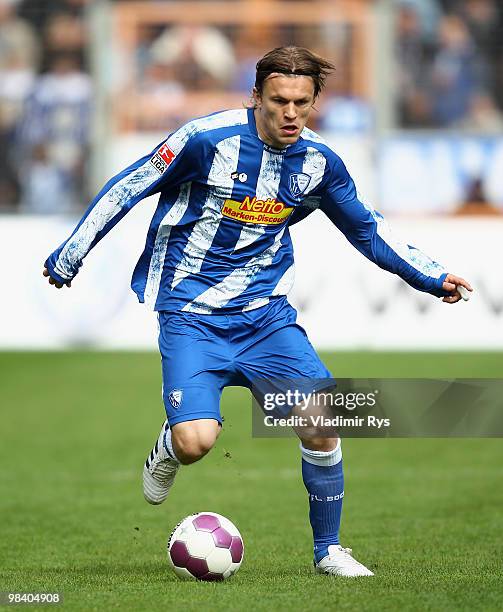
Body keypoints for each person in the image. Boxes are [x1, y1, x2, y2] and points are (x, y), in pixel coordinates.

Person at [43, 46, 472, 577]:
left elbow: (367, 229)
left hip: (265, 318)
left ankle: (329, 551)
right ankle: (170, 448)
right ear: (256, 96)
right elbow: (129, 185)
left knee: (322, 422)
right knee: (197, 442)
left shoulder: (318, 163)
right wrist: (73, 250)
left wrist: (430, 276)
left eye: (302, 102)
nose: (290, 113)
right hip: (191, 314)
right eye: (278, 101)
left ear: (315, 101)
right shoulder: (205, 140)